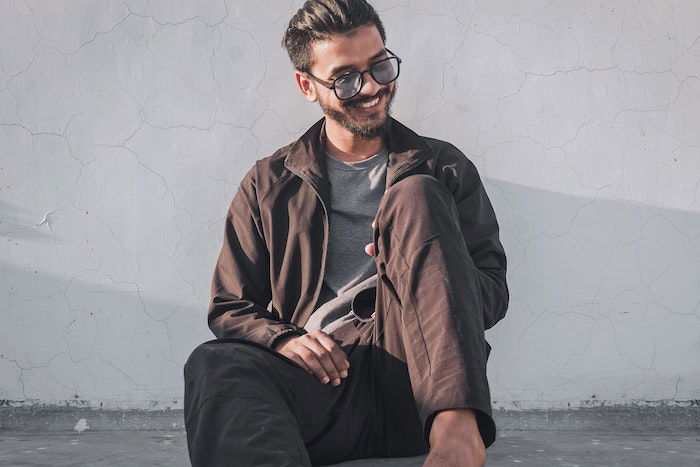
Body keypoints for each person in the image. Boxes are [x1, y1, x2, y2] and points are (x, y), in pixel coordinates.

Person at [183, 1, 509, 465]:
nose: (372, 87)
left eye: (379, 66)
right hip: (322, 387)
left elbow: (493, 293)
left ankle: (458, 434)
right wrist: (284, 339)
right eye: (347, 77)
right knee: (212, 362)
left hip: (421, 384)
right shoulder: (269, 184)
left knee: (417, 197)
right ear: (307, 86)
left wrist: (426, 263)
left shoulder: (443, 168)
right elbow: (230, 307)